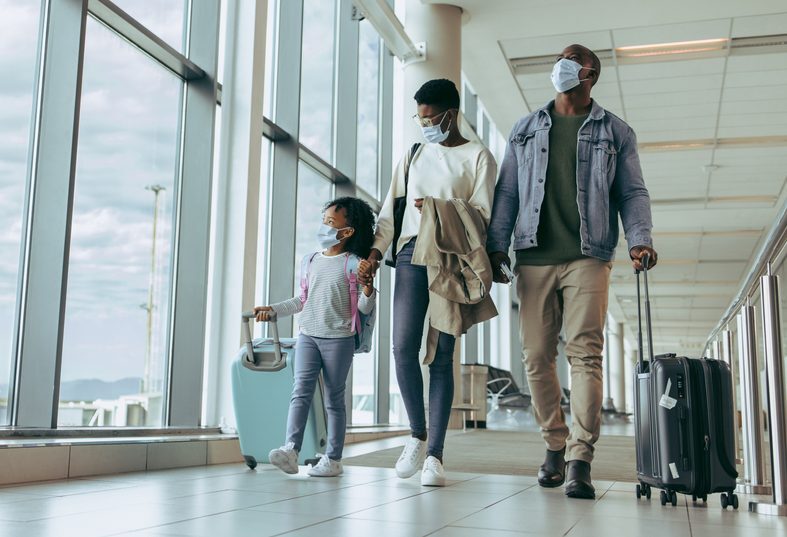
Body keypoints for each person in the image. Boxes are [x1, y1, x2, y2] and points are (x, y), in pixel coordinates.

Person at [486, 44, 658, 500]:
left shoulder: (615, 131)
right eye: (557, 59)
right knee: (537, 357)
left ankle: (580, 456)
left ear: (590, 75)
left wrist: (640, 238)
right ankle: (554, 445)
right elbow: (507, 192)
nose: (558, 68)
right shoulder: (525, 128)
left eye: (569, 62)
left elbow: (632, 192)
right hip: (534, 256)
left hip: (589, 254)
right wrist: (495, 245)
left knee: (585, 353)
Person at [363, 79, 497, 486]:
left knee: (441, 355)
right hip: (408, 255)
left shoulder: (479, 157)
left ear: (450, 114)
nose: (424, 124)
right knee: (402, 346)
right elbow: (391, 211)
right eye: (419, 117)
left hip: (449, 261)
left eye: (429, 117)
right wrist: (372, 253)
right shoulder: (414, 153)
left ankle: (435, 455)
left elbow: (483, 217)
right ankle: (416, 434)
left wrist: (439, 210)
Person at [254, 197, 377, 477]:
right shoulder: (310, 260)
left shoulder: (354, 264)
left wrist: (368, 288)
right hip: (308, 335)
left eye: (331, 223)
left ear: (347, 232)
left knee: (334, 399)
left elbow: (364, 309)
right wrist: (272, 310)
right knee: (300, 392)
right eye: (324, 221)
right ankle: (291, 450)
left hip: (339, 339)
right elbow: (302, 300)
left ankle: (333, 459)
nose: (324, 228)